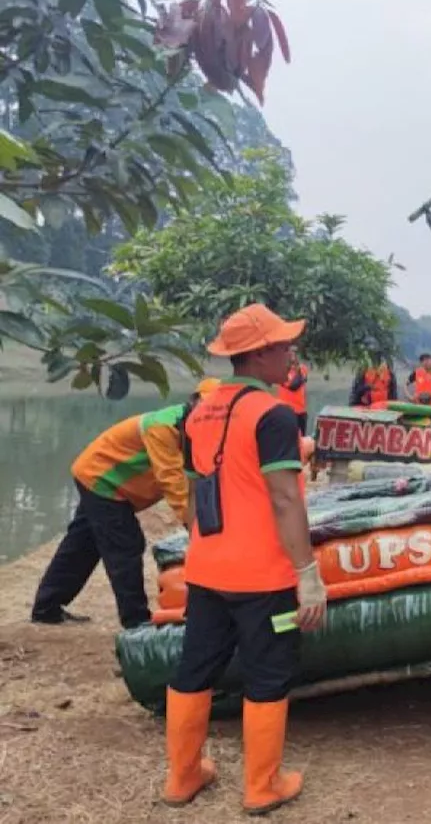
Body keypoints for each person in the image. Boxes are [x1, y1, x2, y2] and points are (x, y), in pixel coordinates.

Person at [162, 303, 327, 814]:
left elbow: (193, 499)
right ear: (258, 354)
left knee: (196, 668)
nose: (290, 352)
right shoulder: (272, 415)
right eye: (283, 345)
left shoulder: (199, 411)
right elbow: (284, 498)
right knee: (268, 674)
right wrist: (309, 574)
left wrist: (202, 551)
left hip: (207, 569)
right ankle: (262, 786)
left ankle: (183, 777)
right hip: (262, 576)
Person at [29, 380, 218, 628]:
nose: (207, 415)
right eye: (204, 407)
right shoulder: (162, 427)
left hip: (108, 482)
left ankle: (46, 608)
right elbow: (171, 481)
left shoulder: (203, 434)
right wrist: (194, 526)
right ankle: (136, 620)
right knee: (125, 545)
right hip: (102, 480)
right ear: (193, 402)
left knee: (81, 545)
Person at [276, 348, 309, 435]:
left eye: (295, 354)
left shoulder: (302, 369)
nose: (292, 356)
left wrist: (296, 367)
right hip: (285, 410)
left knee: (301, 440)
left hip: (300, 411)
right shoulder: (281, 369)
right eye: (290, 354)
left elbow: (295, 385)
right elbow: (289, 385)